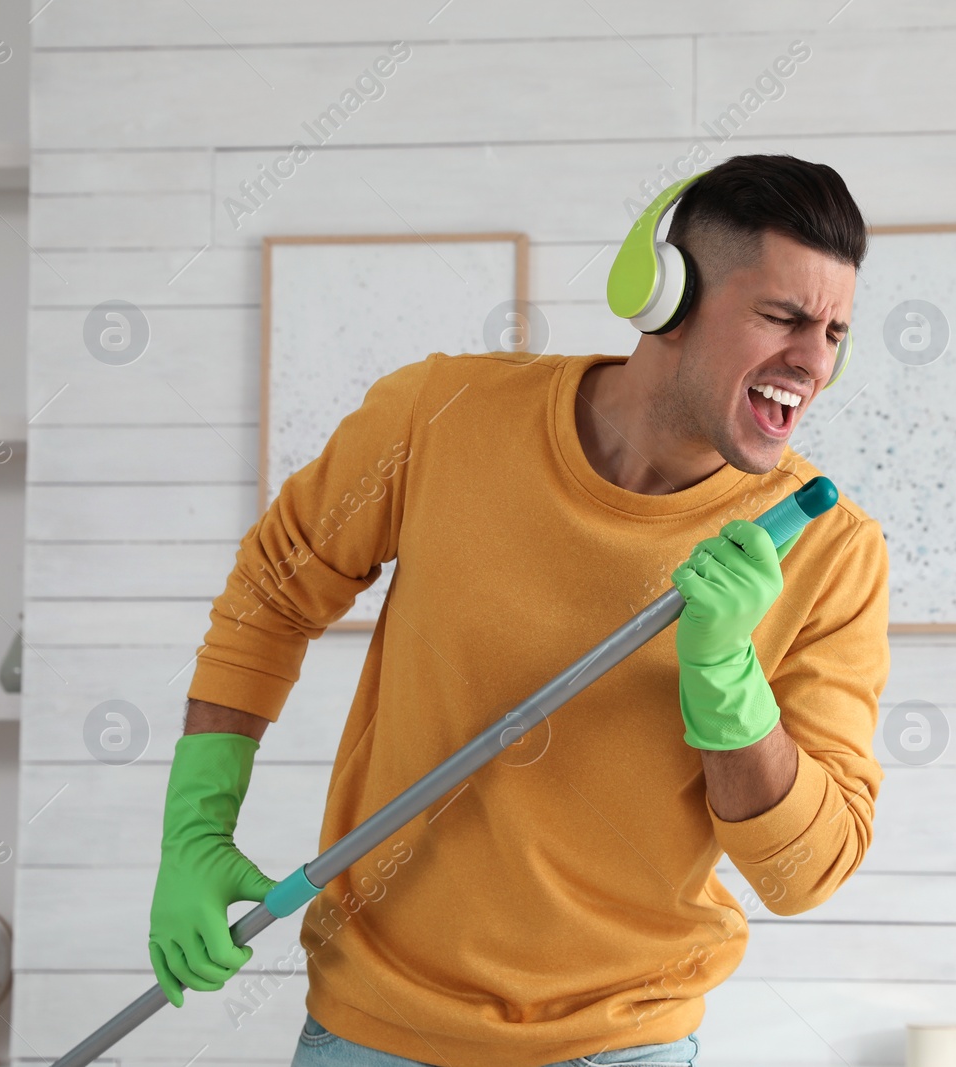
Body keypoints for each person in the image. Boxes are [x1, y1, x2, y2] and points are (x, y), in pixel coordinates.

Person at [144, 153, 891, 1067]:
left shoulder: (831, 547)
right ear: (665, 296)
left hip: (623, 1044)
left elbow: (805, 871)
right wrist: (195, 827)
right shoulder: (440, 414)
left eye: (835, 332)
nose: (814, 360)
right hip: (374, 1031)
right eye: (783, 317)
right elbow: (274, 590)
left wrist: (729, 685)